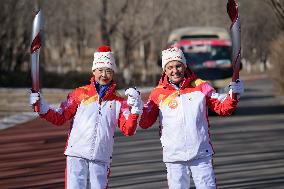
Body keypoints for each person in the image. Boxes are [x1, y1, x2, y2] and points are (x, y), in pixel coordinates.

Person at [126, 46, 244, 189]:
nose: (174, 71)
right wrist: (137, 106)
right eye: (170, 67)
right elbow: (145, 122)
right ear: (165, 70)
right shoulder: (158, 94)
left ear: (184, 65)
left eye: (178, 66)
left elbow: (224, 108)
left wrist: (233, 94)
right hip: (174, 158)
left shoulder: (200, 86)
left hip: (201, 154)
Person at [29, 45, 142, 189]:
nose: (104, 75)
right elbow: (60, 117)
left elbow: (129, 130)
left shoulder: (119, 102)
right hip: (76, 153)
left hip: (101, 155)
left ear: (113, 73)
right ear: (94, 71)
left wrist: (135, 109)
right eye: (100, 70)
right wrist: (41, 105)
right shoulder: (80, 94)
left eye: (108, 71)